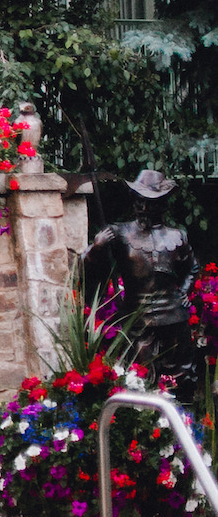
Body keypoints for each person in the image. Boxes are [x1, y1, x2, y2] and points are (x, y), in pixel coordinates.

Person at [82, 169, 201, 401]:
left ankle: (179, 425)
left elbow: (192, 267)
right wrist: (96, 248)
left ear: (163, 205)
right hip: (137, 321)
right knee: (139, 378)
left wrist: (184, 292)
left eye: (149, 203)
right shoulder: (120, 233)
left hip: (174, 320)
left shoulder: (178, 236)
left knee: (180, 380)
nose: (143, 207)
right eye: (139, 201)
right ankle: (145, 428)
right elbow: (90, 267)